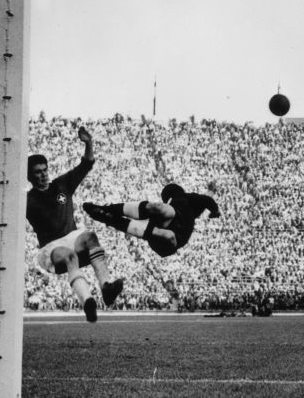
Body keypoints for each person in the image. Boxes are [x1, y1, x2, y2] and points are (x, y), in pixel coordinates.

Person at [25, 126, 124, 323]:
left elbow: (86, 164)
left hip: (72, 237)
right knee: (69, 256)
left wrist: (88, 143)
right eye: (38, 172)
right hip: (51, 248)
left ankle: (106, 288)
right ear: (30, 176)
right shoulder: (28, 201)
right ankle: (87, 302)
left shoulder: (61, 185)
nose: (43, 175)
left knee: (90, 237)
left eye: (45, 170)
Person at [83, 182, 220, 257]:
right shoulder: (187, 205)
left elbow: (206, 199)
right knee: (162, 213)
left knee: (165, 225)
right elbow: (207, 198)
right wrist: (214, 208)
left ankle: (108, 215)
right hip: (163, 234)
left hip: (172, 239)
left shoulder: (188, 200)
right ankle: (106, 212)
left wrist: (215, 209)